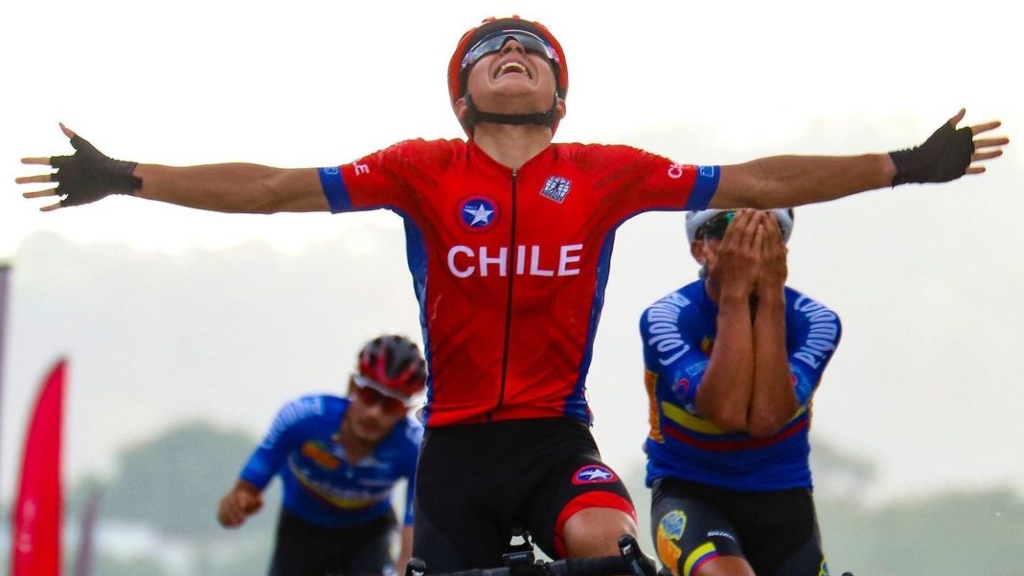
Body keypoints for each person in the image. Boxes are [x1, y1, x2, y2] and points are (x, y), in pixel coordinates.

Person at [16, 15, 1007, 572]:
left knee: (615, 557)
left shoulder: (608, 171)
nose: (513, 48)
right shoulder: (418, 169)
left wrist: (903, 164)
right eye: (490, 49)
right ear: (462, 96)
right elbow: (272, 190)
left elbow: (758, 181)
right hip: (453, 448)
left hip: (549, 439)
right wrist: (129, 176)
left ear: (558, 94)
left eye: (532, 48)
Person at [639, 209, 841, 576]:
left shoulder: (816, 321)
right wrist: (734, 295)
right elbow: (727, 411)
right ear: (700, 250)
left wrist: (771, 297)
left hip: (782, 499)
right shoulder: (665, 318)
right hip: (693, 494)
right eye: (728, 231)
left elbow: (766, 417)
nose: (746, 247)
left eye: (765, 233)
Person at [216, 334, 426, 576]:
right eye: (369, 396)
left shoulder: (412, 446)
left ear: (405, 411)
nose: (374, 413)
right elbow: (237, 498)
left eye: (391, 405)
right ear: (352, 387)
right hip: (301, 529)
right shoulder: (303, 418)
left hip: (367, 535)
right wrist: (235, 507)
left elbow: (412, 543)